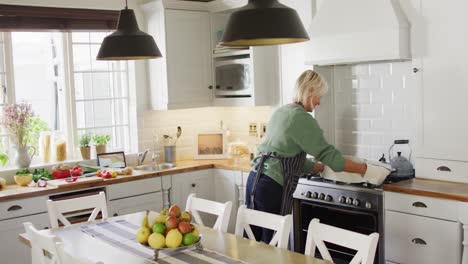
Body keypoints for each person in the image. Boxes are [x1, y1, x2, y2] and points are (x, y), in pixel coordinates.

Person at [246, 70, 389, 244]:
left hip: (255, 179)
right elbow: (331, 157)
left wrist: (316, 167)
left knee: (252, 242)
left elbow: (284, 154)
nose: (319, 102)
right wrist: (366, 170)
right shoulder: (301, 118)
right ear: (310, 90)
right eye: (319, 96)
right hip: (271, 186)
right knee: (272, 244)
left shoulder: (282, 111)